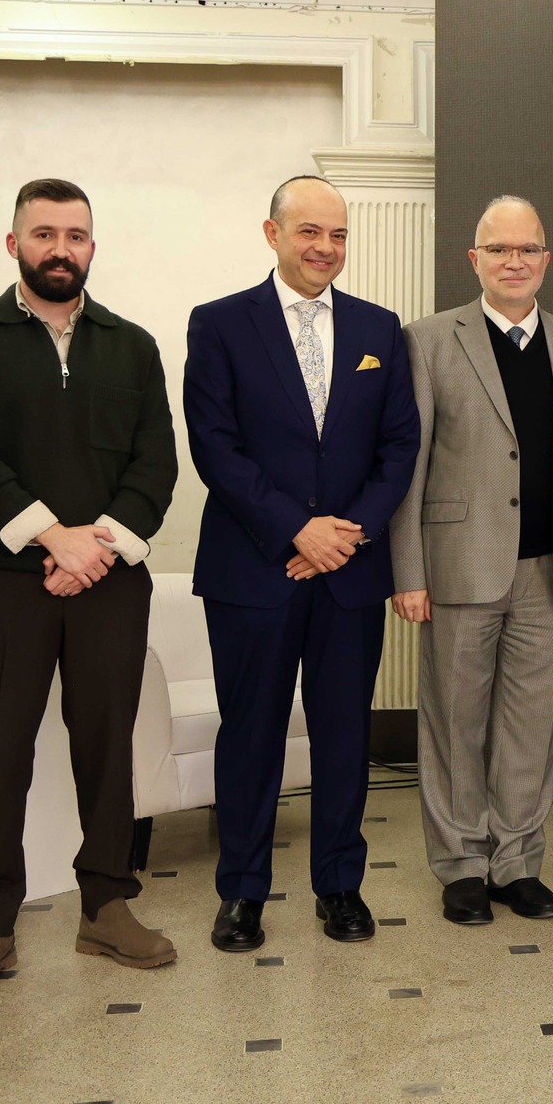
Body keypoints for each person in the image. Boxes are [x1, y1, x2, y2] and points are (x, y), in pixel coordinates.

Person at [0, 177, 179, 994]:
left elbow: (155, 461)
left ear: (92, 248)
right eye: (43, 234)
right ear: (14, 244)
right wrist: (53, 537)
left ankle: (106, 903)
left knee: (108, 745)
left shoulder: (132, 345)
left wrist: (96, 547)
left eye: (75, 235)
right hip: (3, 577)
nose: (60, 249)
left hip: (109, 578)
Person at [186, 174, 418, 948]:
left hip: (350, 572)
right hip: (252, 570)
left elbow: (400, 446)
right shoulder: (219, 324)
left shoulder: (380, 329)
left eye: (338, 234)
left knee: (345, 735)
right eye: (310, 231)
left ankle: (340, 885)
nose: (326, 247)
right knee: (251, 733)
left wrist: (345, 534)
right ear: (273, 233)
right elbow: (215, 446)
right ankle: (242, 890)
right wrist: (297, 530)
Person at [388, 196, 553, 925]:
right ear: (474, 259)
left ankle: (517, 862)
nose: (514, 261)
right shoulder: (428, 340)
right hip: (458, 566)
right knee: (454, 723)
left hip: (552, 570)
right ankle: (461, 864)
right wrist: (408, 572)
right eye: (499, 249)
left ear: (546, 259)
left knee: (532, 727)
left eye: (527, 249)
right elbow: (409, 465)